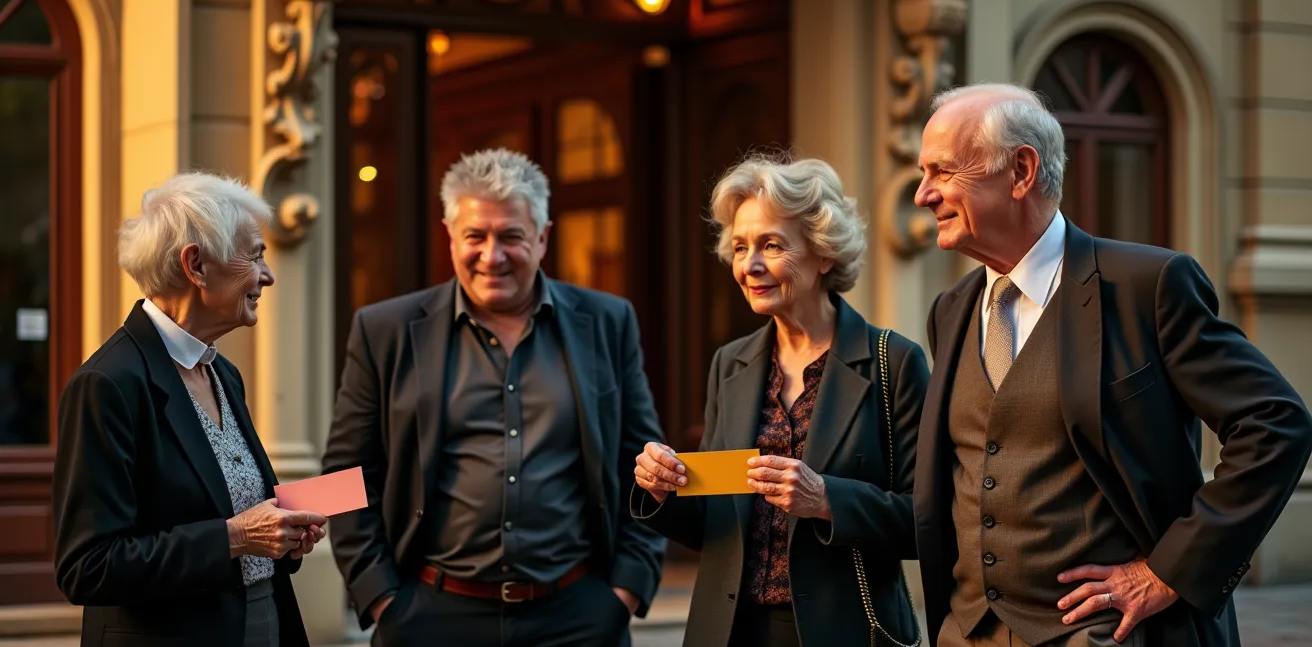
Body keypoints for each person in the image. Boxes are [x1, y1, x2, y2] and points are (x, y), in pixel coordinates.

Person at [911, 83, 1312, 647]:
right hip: (966, 630)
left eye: (943, 171)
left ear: (1021, 172)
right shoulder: (950, 311)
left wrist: (1168, 572)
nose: (922, 194)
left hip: (1106, 635)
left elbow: (1275, 423)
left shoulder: (1147, 287)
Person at [322, 148, 666, 646]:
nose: (492, 255)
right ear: (449, 235)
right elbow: (343, 475)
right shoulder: (384, 330)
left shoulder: (608, 323)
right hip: (429, 618)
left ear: (543, 237)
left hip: (578, 617)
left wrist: (625, 592)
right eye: (475, 236)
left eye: (511, 236)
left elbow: (646, 463)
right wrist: (380, 596)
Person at [633, 155, 929, 647]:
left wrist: (827, 499)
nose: (749, 265)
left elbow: (928, 521)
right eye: (740, 246)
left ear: (824, 253)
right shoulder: (730, 363)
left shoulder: (893, 361)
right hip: (729, 633)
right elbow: (715, 523)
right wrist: (664, 489)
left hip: (846, 633)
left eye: (771, 245)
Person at [52, 172, 326, 647]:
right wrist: (236, 537)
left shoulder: (223, 373)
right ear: (196, 265)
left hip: (264, 622)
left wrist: (283, 535)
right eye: (255, 255)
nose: (267, 275)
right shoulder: (107, 384)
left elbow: (234, 512)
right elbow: (88, 566)